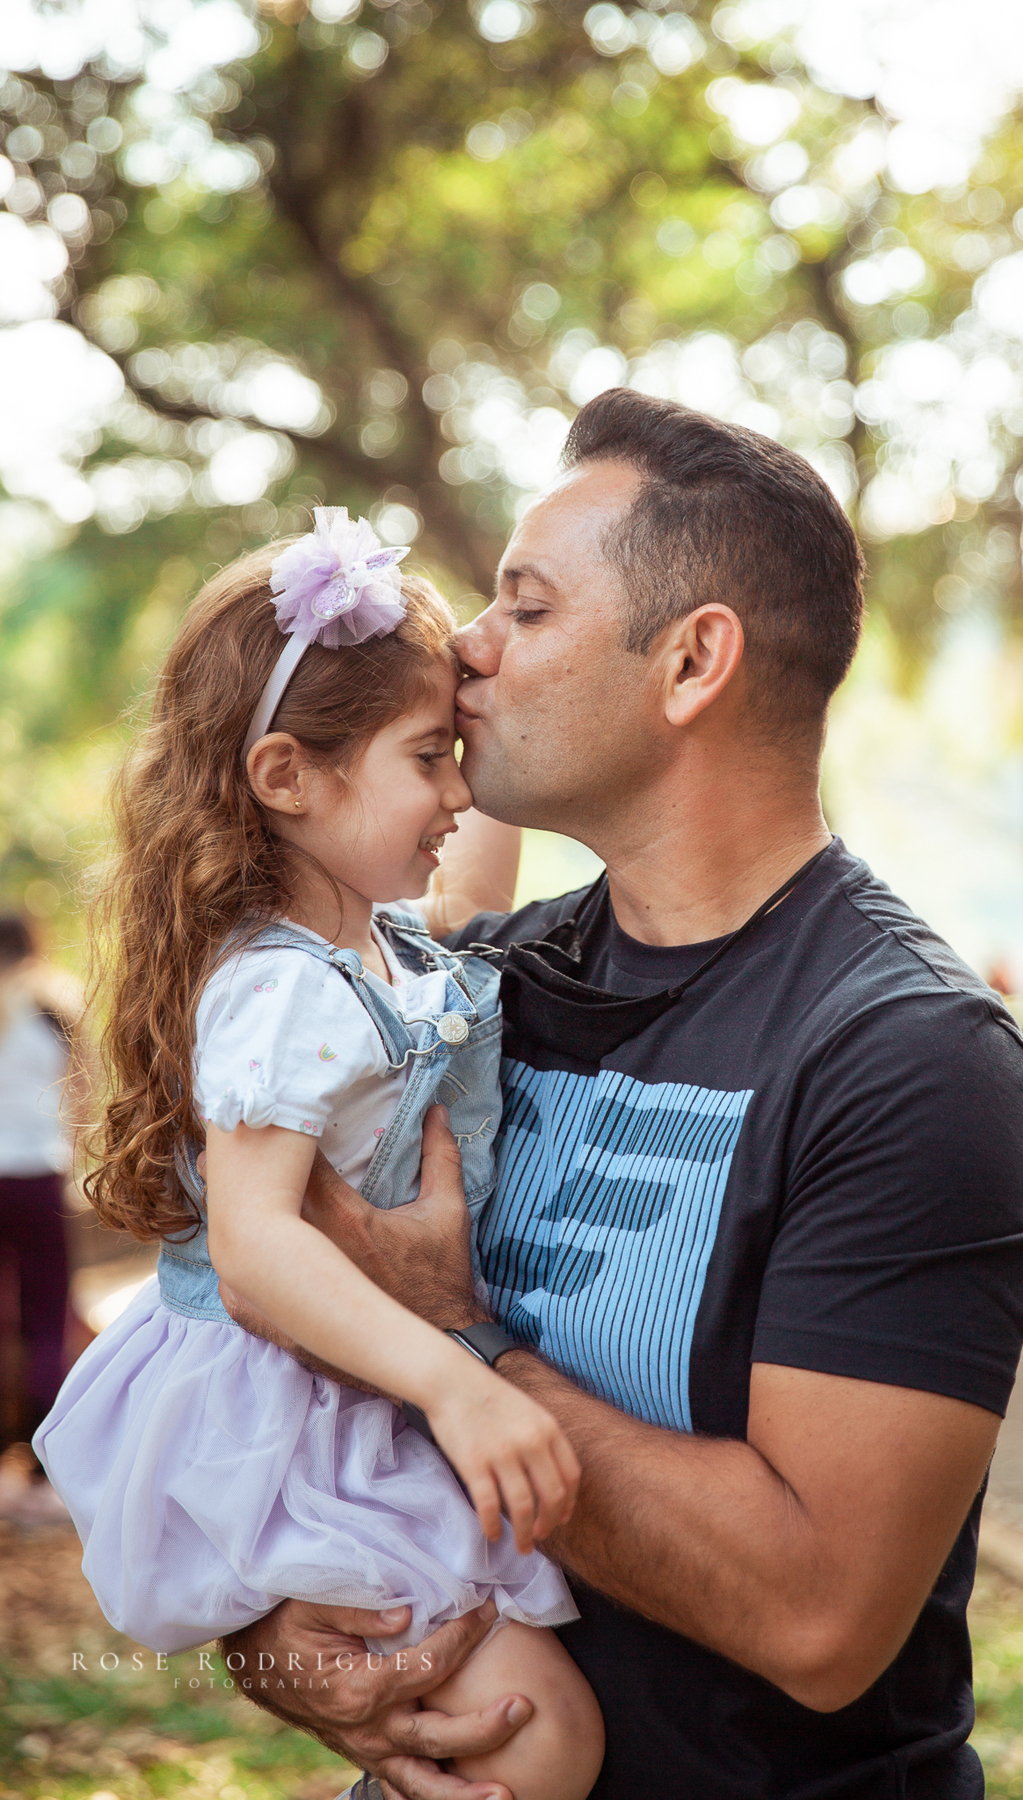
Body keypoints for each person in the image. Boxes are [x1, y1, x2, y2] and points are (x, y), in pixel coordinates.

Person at [223, 389, 1023, 1800]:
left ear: (691, 663)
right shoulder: (466, 988)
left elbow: (820, 1619)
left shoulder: (909, 1060)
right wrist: (285, 1637)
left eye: (527, 608)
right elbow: (269, 1333)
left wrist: (460, 1339)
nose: (463, 651)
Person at [33, 509, 603, 1800]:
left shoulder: (381, 943)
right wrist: (456, 1385)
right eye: (426, 757)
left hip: (347, 1375)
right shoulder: (280, 992)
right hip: (285, 1405)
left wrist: (486, 667)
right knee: (543, 1733)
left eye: (459, 753)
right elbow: (254, 1251)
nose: (458, 790)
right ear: (287, 777)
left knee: (525, 1724)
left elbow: (473, 909)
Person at [0, 915, 73, 1456]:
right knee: (47, 1315)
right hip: (39, 1176)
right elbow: (85, 1100)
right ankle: (43, 1450)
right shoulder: (54, 1012)